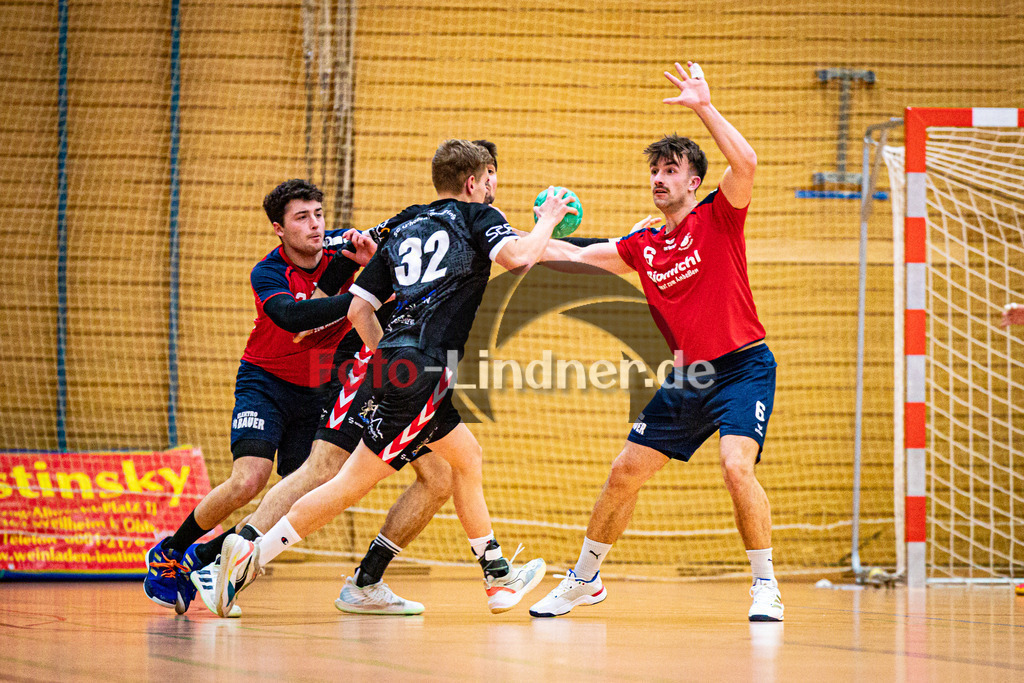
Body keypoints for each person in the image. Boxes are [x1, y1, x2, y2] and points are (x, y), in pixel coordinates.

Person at [189, 140, 613, 617]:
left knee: (463, 461)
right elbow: (521, 257)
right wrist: (549, 218)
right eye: (489, 176)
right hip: (421, 371)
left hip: (398, 365)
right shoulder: (478, 218)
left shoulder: (408, 225)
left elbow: (358, 309)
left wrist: (388, 358)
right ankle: (247, 557)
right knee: (345, 482)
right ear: (472, 182)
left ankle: (496, 575)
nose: (492, 185)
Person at [528, 62, 784, 622]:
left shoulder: (719, 217)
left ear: (694, 182)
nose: (659, 179)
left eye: (671, 170)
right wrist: (516, 233)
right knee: (625, 472)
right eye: (655, 171)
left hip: (743, 367)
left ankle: (765, 585)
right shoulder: (642, 243)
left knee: (735, 466)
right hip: (690, 377)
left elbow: (747, 162)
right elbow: (573, 256)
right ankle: (584, 579)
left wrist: (703, 106)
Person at [143, 179, 376, 614]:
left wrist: (373, 261)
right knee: (249, 479)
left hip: (318, 388)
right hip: (266, 381)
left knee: (297, 497)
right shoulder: (267, 272)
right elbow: (290, 316)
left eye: (318, 214)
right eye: (301, 217)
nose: (315, 225)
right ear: (279, 229)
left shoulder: (343, 250)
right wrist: (357, 300)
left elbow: (389, 257)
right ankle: (171, 551)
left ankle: (205, 559)